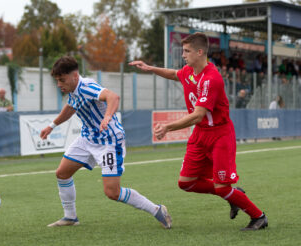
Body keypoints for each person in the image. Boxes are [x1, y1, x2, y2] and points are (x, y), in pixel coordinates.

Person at [130, 32, 267, 231]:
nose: (183, 55)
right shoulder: (190, 71)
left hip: (220, 135)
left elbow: (198, 115)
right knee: (186, 183)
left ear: (200, 52)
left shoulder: (211, 79)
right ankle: (233, 194)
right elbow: (173, 74)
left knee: (221, 187)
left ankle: (259, 217)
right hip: (200, 135)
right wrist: (150, 68)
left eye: (187, 51)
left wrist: (168, 127)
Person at [40, 56, 172, 229]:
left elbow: (113, 97)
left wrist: (107, 116)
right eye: (57, 81)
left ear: (74, 76)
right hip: (87, 138)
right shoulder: (72, 90)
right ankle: (70, 217)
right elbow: (71, 107)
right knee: (62, 173)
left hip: (108, 141)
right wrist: (52, 126)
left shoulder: (87, 87)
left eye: (61, 80)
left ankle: (156, 210)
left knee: (112, 192)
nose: (59, 84)